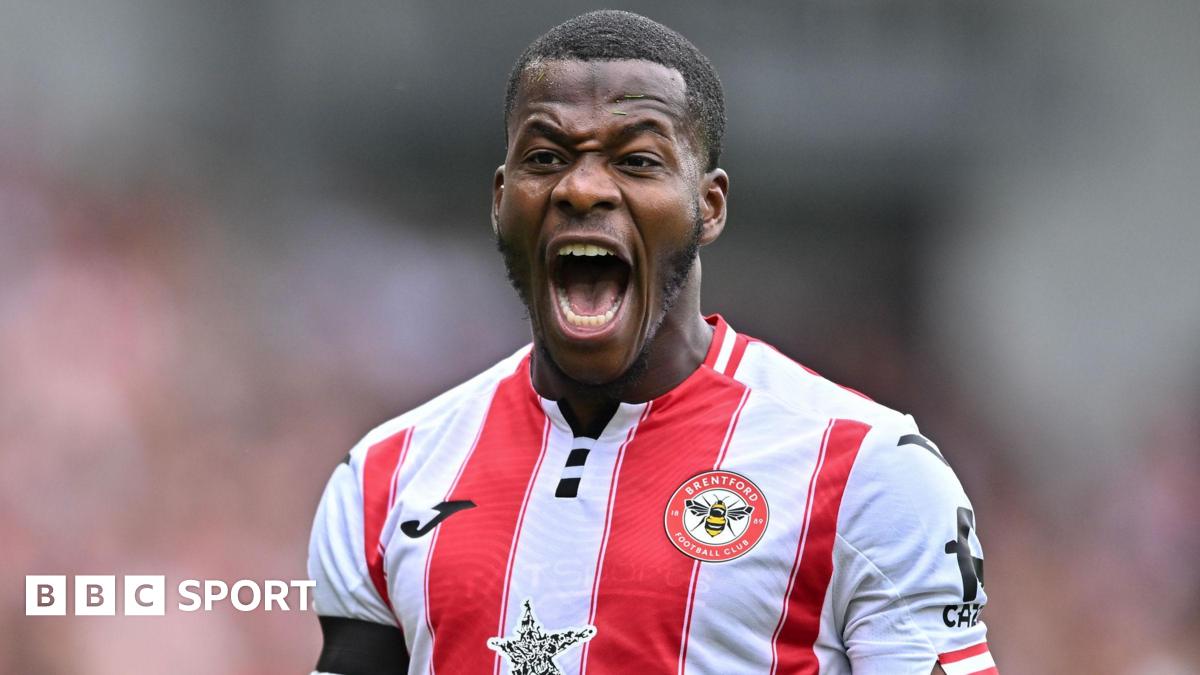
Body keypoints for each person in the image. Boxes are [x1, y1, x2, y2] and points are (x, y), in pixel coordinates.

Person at [308, 10, 995, 675]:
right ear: (500, 198)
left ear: (709, 205)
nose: (581, 188)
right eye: (546, 156)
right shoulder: (382, 477)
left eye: (636, 160)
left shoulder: (869, 470)